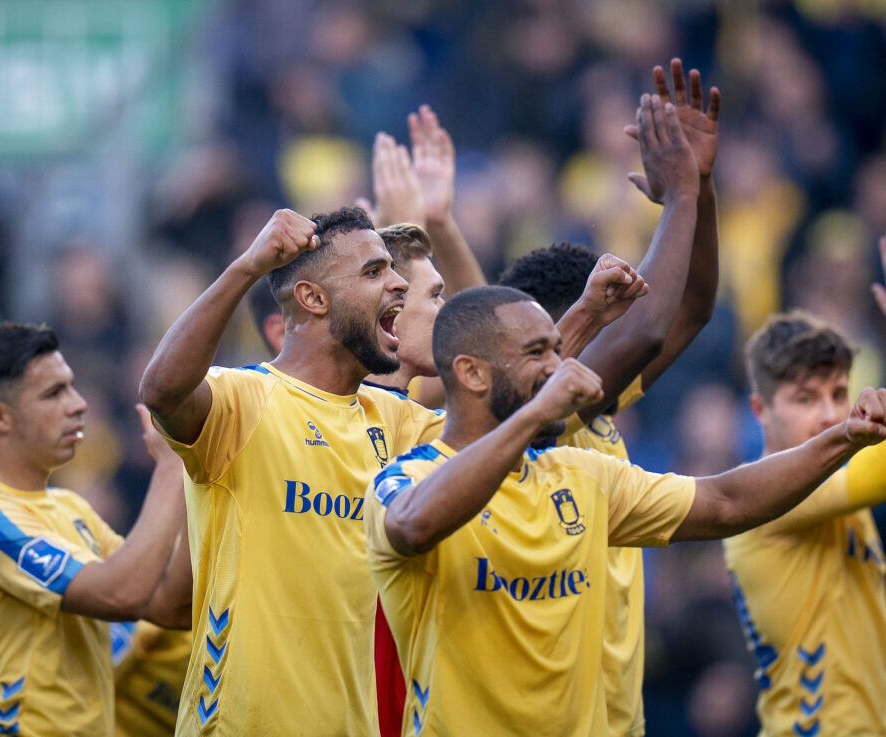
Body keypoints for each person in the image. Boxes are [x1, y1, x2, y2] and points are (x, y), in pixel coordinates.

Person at [365, 284, 886, 737]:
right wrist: (534, 416)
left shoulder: (583, 475)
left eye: (556, 350)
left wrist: (848, 437)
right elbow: (414, 525)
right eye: (536, 353)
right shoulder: (404, 481)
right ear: (473, 374)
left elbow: (727, 501)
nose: (559, 367)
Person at [140, 206, 451, 736]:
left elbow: (507, 419)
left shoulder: (398, 423)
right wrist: (246, 267)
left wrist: (586, 316)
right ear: (313, 298)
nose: (398, 283)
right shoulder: (244, 399)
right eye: (374, 271)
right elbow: (163, 391)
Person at [497, 59, 720, 737]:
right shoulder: (541, 417)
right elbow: (653, 325)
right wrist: (681, 195)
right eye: (600, 312)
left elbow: (692, 308)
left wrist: (702, 189)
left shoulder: (589, 403)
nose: (619, 320)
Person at [0, 322, 189, 737]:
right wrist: (172, 470)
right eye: (54, 393)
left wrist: (197, 476)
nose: (79, 404)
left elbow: (171, 607)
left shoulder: (70, 507)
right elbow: (122, 595)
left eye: (71, 386)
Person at [723, 305, 886, 735]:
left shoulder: (841, 484)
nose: (831, 414)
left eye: (838, 393)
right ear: (760, 410)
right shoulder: (767, 497)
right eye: (805, 398)